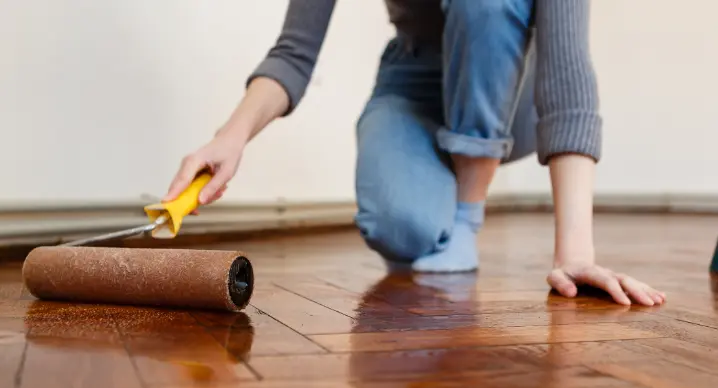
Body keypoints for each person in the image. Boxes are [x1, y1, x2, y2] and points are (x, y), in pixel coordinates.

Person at [164, 0, 666, 306]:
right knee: (399, 229)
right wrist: (230, 136)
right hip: (412, 81)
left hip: (509, 96)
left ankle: (468, 210)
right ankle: (440, 181)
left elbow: (567, 73)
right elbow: (295, 52)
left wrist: (576, 255)